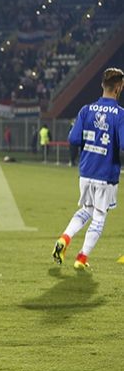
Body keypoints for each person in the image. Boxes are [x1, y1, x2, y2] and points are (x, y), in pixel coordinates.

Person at [53, 68, 124, 270]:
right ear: (119, 87)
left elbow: (74, 139)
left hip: (86, 171)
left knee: (87, 209)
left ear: (102, 85)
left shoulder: (86, 110)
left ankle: (65, 238)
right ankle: (81, 258)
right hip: (105, 173)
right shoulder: (120, 114)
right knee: (99, 216)